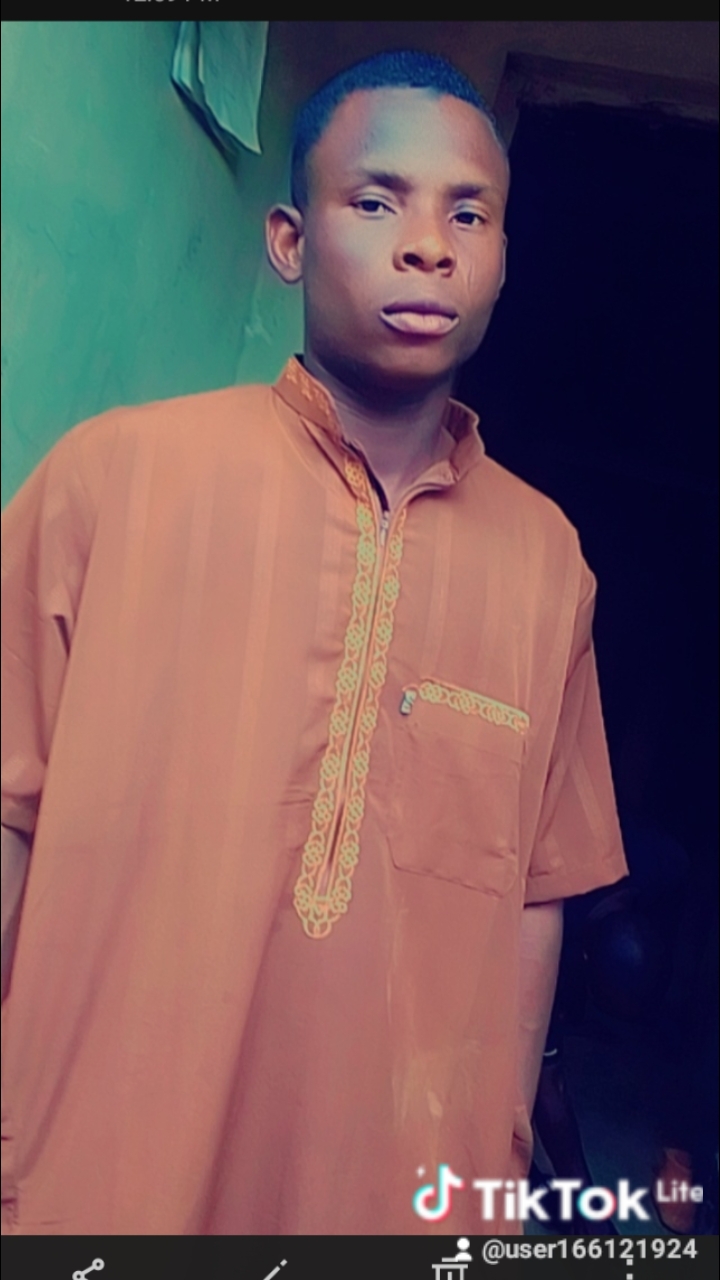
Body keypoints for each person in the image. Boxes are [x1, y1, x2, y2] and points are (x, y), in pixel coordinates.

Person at [1, 51, 627, 1236]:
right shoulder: (117, 479)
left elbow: (536, 895)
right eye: (377, 201)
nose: (428, 245)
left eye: (469, 214)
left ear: (503, 258)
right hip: (92, 1175)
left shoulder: (548, 566)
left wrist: (491, 1176)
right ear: (289, 240)